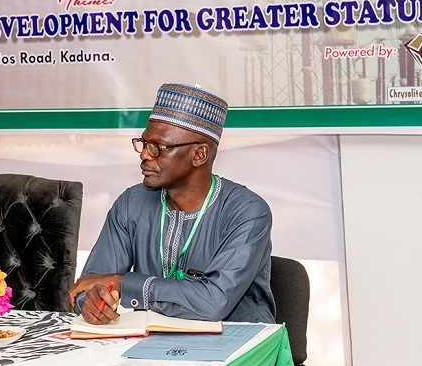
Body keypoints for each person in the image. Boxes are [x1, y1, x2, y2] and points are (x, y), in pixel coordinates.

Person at [69, 83, 276, 324]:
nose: (145, 154)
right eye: (144, 143)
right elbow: (89, 284)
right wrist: (93, 302)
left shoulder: (247, 212)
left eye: (158, 147)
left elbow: (213, 303)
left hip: (239, 347)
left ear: (199, 155)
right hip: (155, 343)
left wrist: (124, 282)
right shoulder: (131, 203)